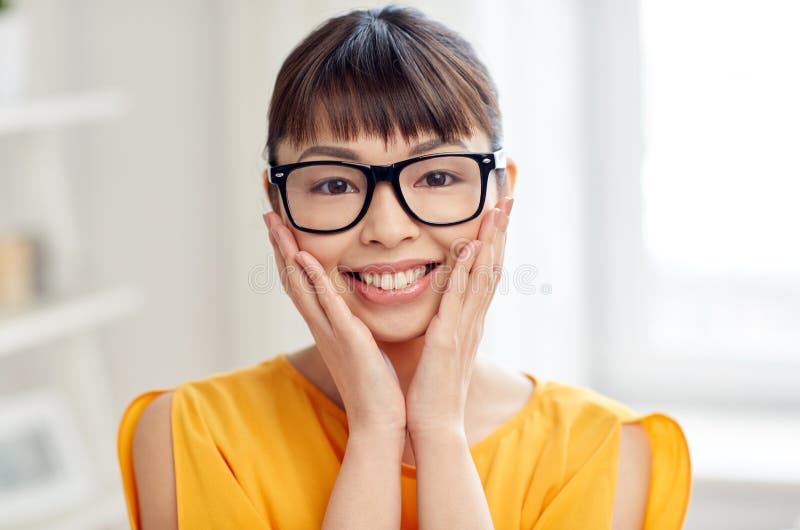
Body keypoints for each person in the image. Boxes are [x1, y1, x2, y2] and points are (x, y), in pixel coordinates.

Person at [116, 5, 691, 529]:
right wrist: (374, 432)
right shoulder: (187, 436)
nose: (388, 229)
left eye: (438, 176)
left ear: (500, 195)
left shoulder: (606, 451)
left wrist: (439, 433)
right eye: (336, 183)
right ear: (278, 204)